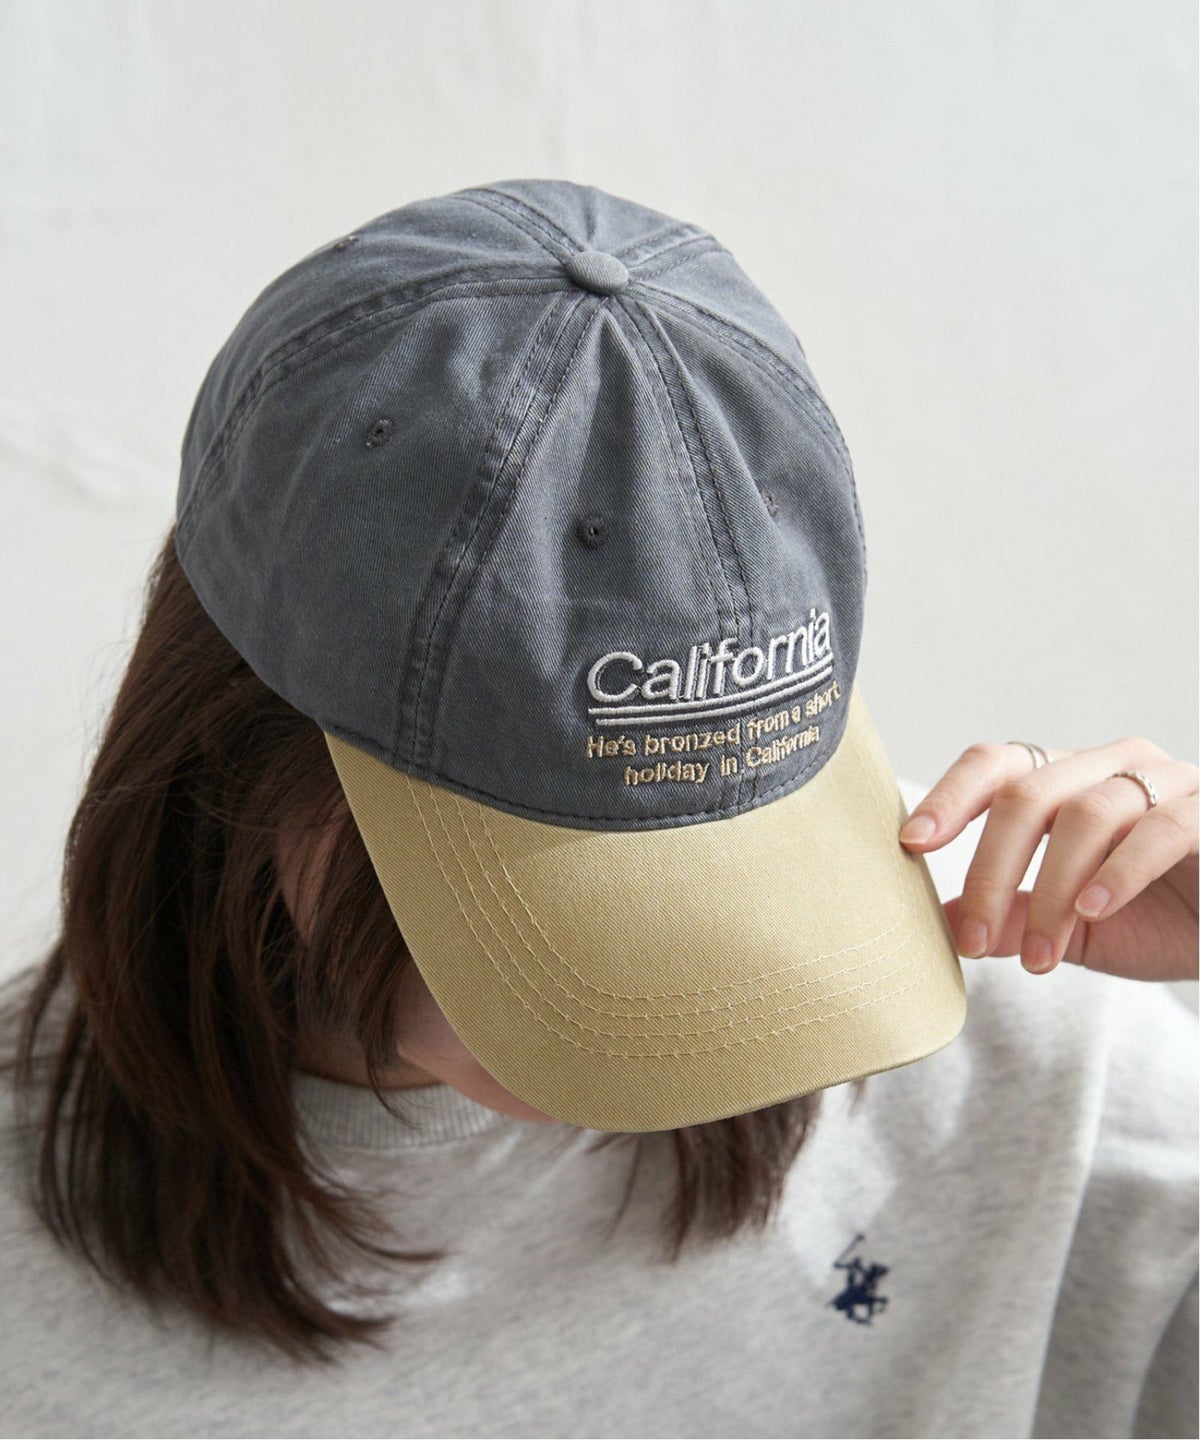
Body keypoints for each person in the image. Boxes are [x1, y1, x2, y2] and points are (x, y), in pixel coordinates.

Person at [1, 179, 1195, 1439]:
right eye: (568, 852)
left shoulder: (1035, 1025)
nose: (686, 980)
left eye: (731, 833)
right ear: (244, 746)